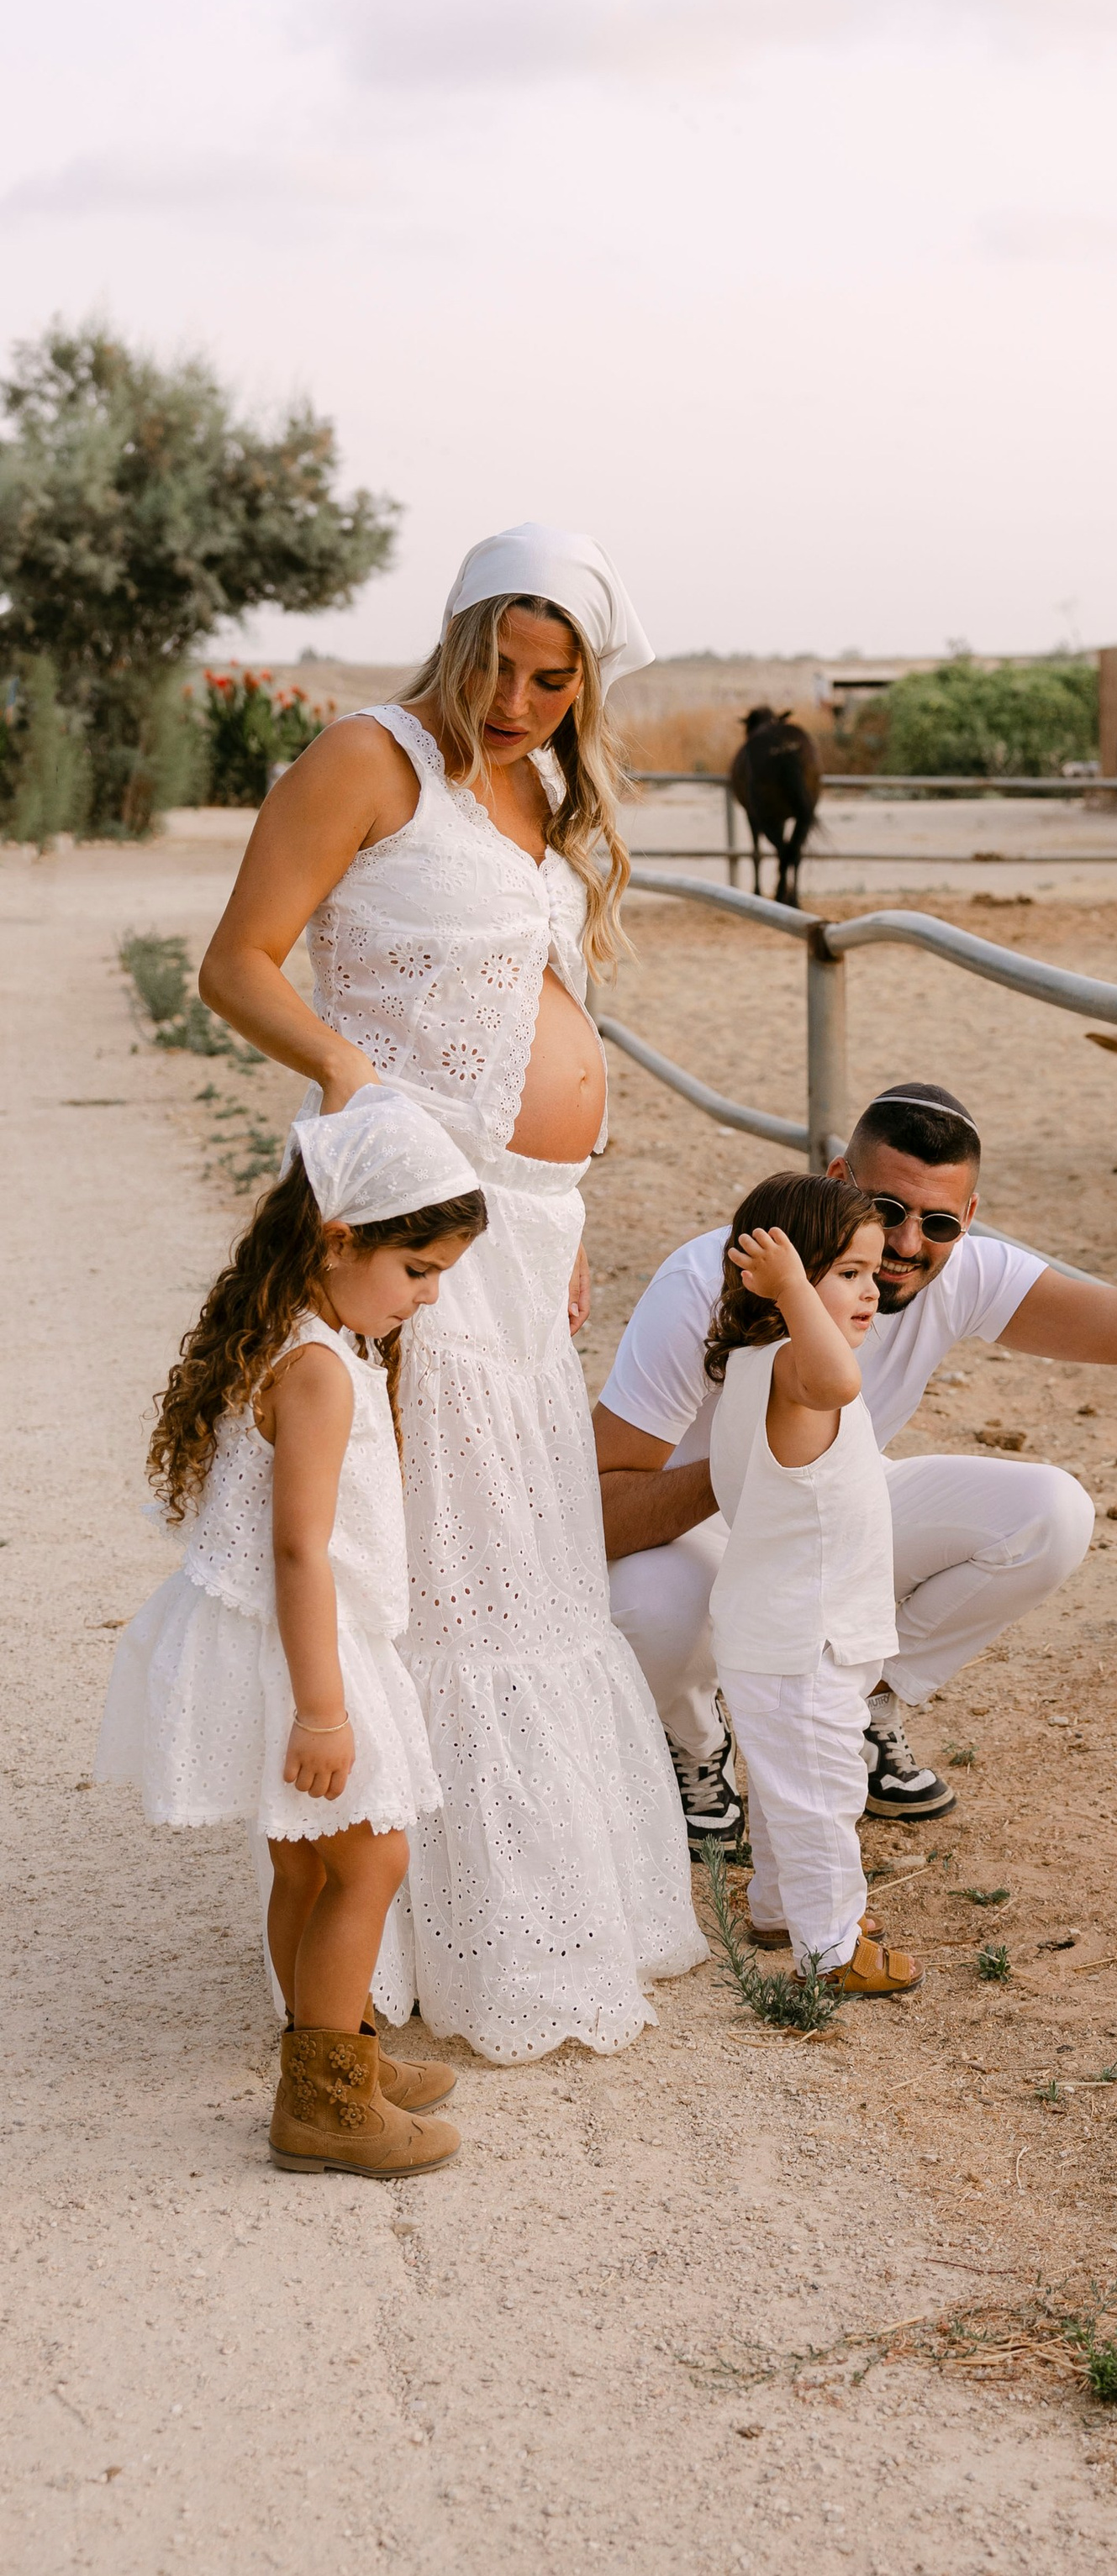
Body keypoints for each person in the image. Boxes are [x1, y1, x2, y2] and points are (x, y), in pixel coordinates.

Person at [198, 523, 706, 2063]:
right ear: (461, 634)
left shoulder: (537, 790)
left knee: (525, 1569)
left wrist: (566, 1211)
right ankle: (391, 1945)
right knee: (430, 1574)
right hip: (415, 1222)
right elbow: (241, 963)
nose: (524, 701)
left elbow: (530, 1008)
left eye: (559, 680)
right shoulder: (371, 759)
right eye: (504, 664)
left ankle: (523, 1918)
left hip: (527, 1229)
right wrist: (356, 1078)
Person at [597, 1081, 1117, 1834]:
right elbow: (598, 1508)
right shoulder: (707, 1279)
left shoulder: (962, 1271)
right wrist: (752, 1467)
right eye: (886, 1210)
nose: (904, 1246)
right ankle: (693, 1742)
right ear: (838, 1180)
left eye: (936, 1222)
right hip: (693, 1531)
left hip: (829, 1508)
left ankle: (862, 1708)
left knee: (1048, 1514)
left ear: (967, 1219)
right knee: (648, 1605)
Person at [98, 1088, 489, 2177]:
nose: (427, 1297)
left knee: (312, 1870)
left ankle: (338, 2052)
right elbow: (299, 1552)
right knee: (374, 1861)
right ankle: (323, 2103)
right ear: (339, 1238)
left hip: (273, 1641)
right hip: (303, 1653)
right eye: (417, 1272)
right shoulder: (316, 1367)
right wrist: (324, 1710)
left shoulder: (299, 1335)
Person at [703, 1172, 919, 1996]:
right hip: (803, 1638)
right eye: (847, 1275)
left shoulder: (759, 1366)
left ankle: (776, 1908)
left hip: (789, 1631)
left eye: (873, 1275)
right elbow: (839, 1381)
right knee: (823, 1794)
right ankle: (832, 1948)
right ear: (779, 1282)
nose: (871, 1292)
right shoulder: (800, 1371)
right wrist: (796, 1289)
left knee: (785, 1786)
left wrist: (803, 1293)